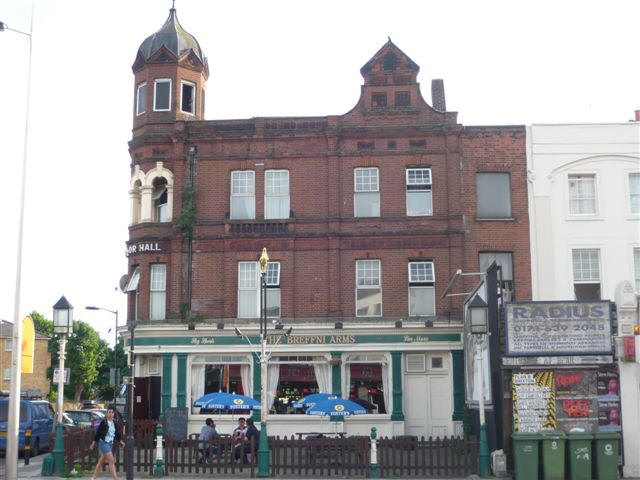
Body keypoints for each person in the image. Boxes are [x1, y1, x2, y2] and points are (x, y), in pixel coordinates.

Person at [90, 406, 125, 480]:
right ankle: (116, 478)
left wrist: (121, 441)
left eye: (112, 412)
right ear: (107, 413)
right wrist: (93, 443)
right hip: (103, 443)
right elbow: (98, 433)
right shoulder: (104, 422)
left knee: (101, 462)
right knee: (111, 460)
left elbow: (117, 433)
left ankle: (93, 478)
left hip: (110, 444)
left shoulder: (114, 422)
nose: (111, 414)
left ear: (114, 413)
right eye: (109, 412)